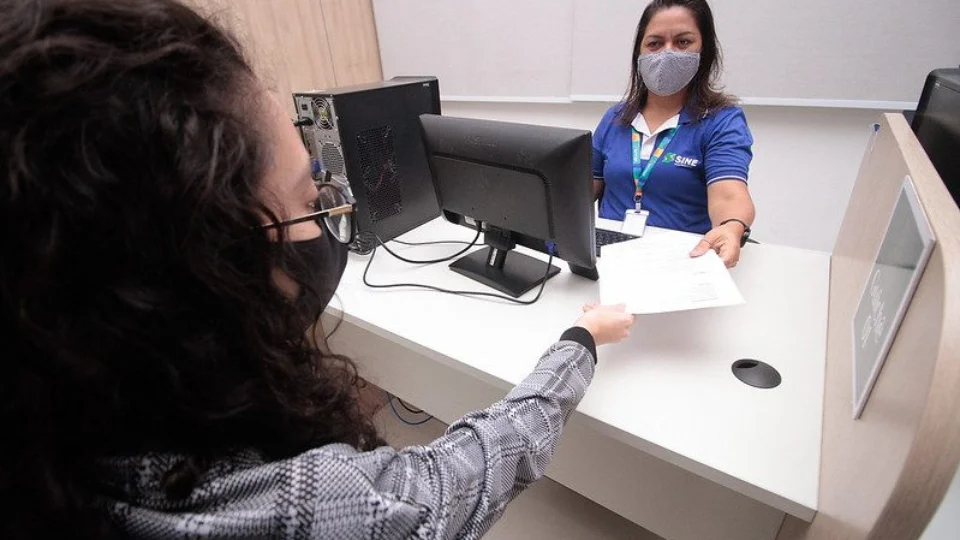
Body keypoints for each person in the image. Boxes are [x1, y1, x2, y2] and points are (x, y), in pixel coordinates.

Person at [0, 0, 635, 538]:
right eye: (311, 201)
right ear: (206, 268)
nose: (326, 216)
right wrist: (580, 341)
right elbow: (463, 476)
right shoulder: (317, 507)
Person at [592, 0, 756, 268]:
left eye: (683, 42)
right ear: (639, 52)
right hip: (608, 259)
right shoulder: (615, 118)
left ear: (704, 49)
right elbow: (580, 189)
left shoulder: (721, 120)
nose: (667, 53)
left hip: (677, 262)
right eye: (654, 43)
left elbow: (729, 194)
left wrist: (732, 226)